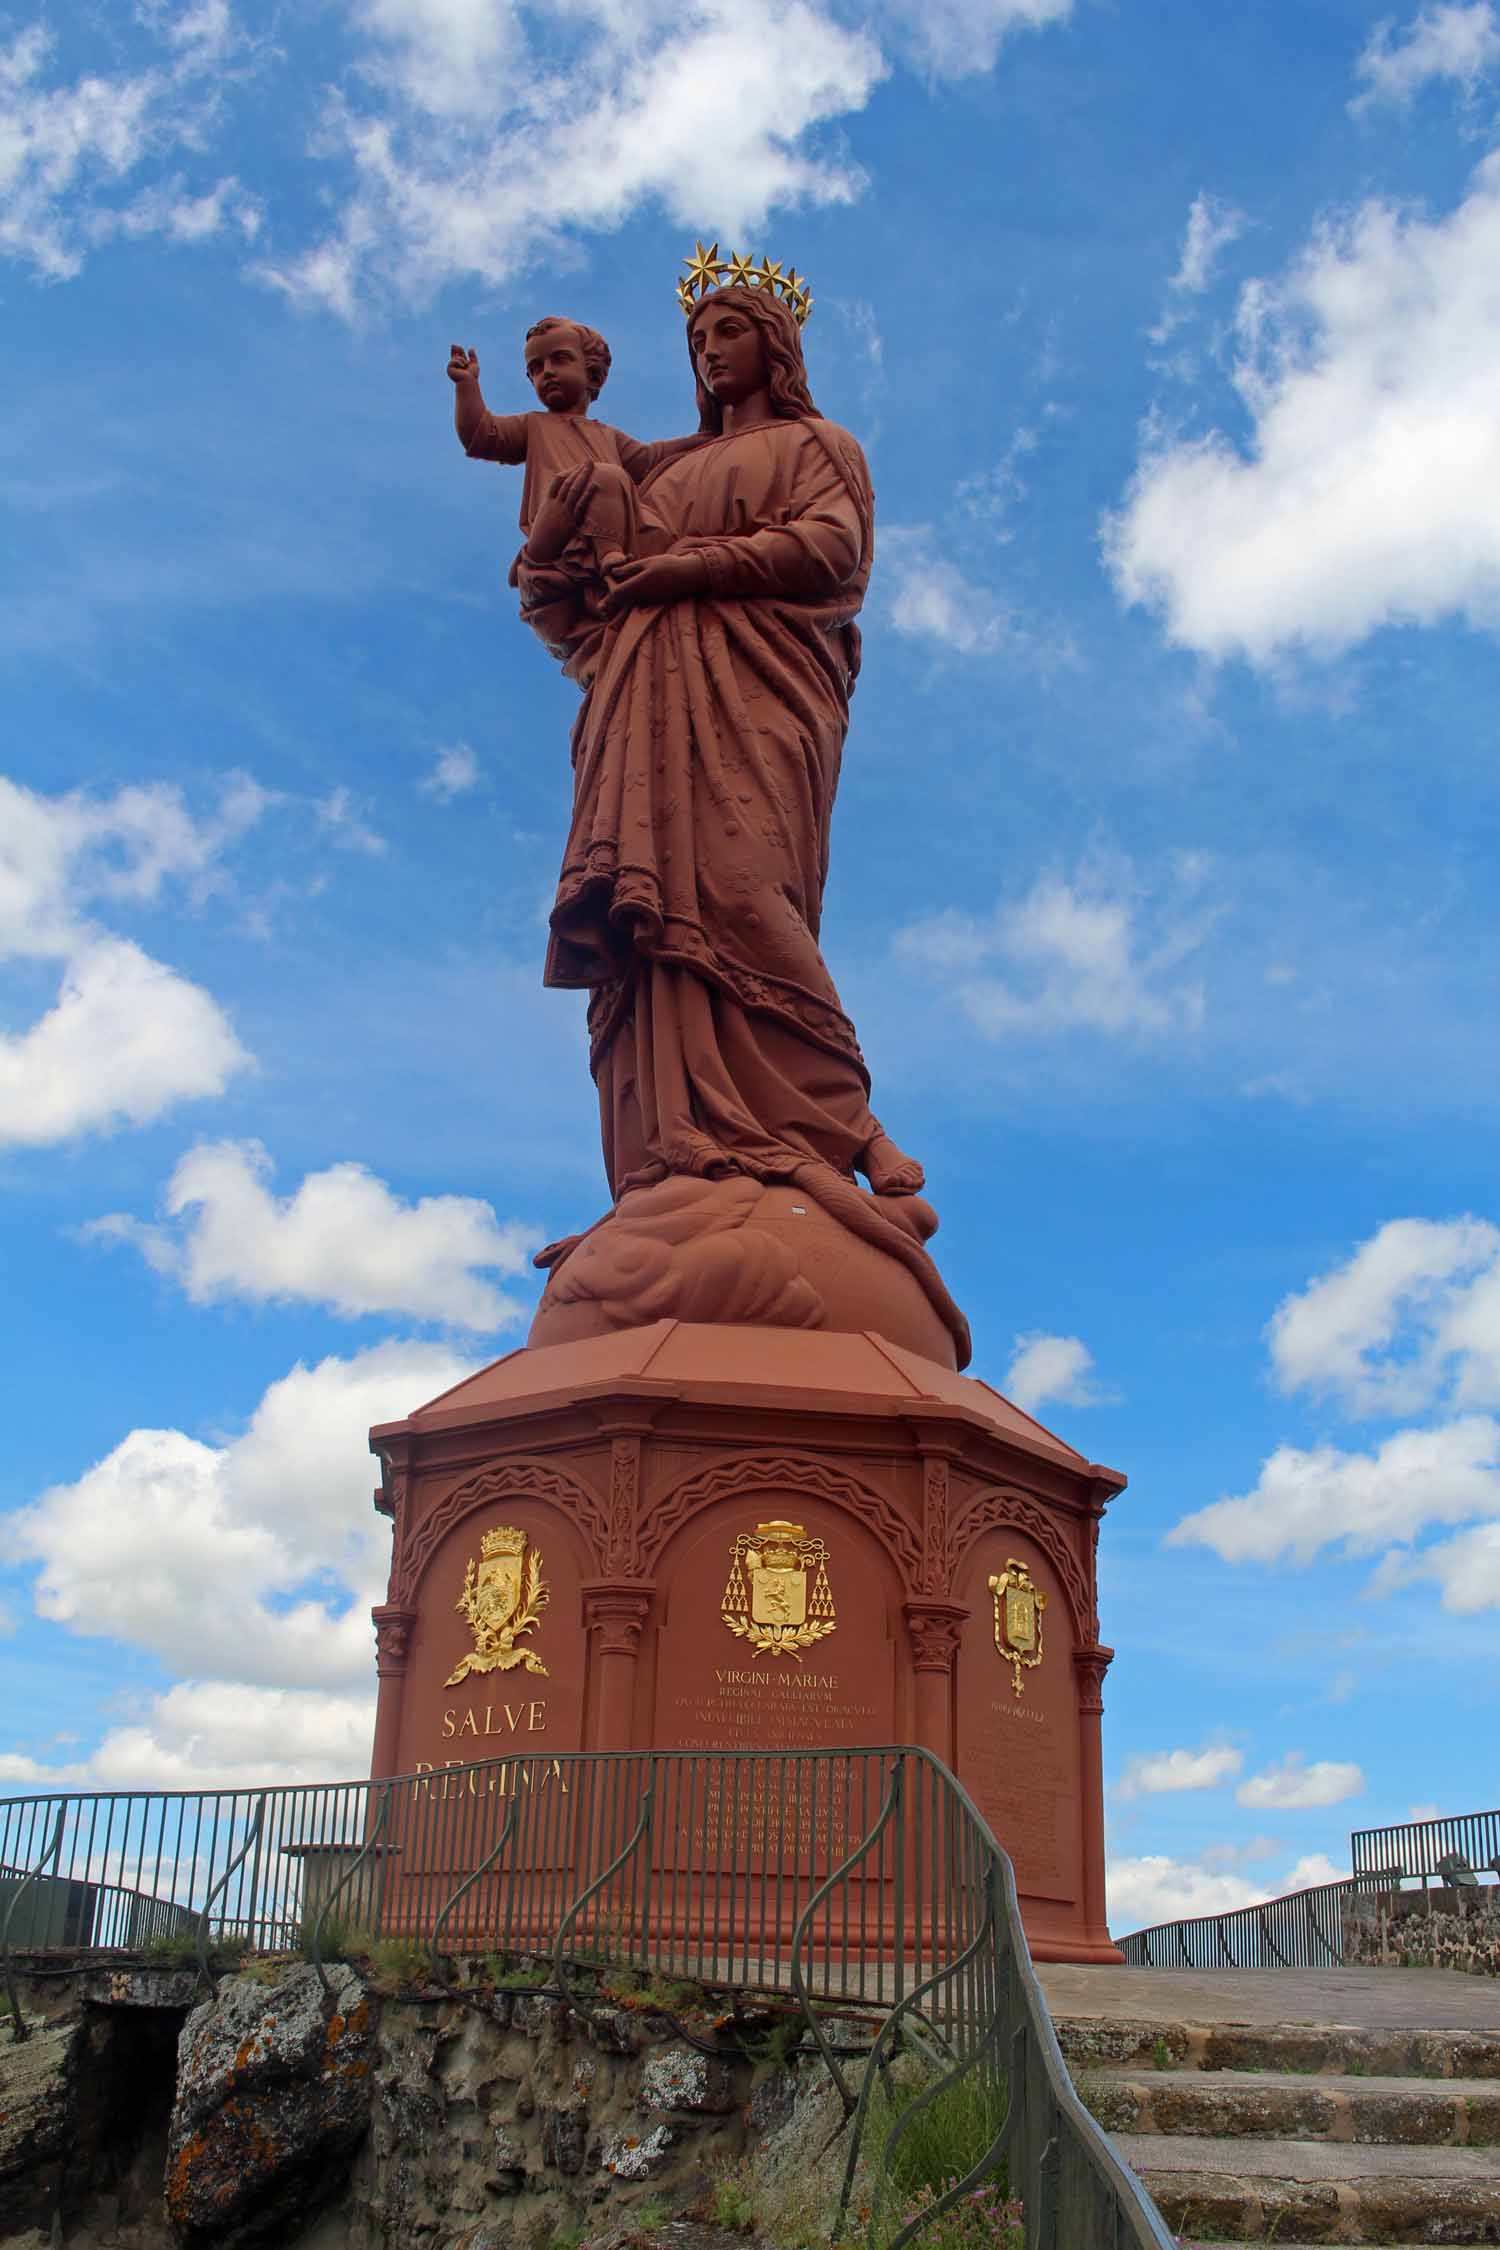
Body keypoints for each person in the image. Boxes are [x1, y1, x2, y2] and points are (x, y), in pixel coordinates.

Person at [532, 281, 933, 1236]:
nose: (710, 351)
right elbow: (570, 608)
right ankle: (676, 1155)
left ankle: (846, 1130)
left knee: (744, 887)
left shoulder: (818, 448)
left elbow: (831, 552)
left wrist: (687, 569)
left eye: (730, 332)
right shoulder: (658, 468)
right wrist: (570, 549)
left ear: (777, 345)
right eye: (697, 338)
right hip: (643, 702)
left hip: (757, 688)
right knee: (654, 914)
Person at [446, 317, 697, 617]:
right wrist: (466, 386)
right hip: (562, 529)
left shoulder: (607, 435)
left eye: (560, 359)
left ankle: (612, 556)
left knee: (613, 480)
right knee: (606, 475)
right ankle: (609, 557)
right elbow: (481, 434)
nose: (547, 372)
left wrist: (702, 439)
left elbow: (651, 458)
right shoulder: (534, 425)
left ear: (593, 374)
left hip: (610, 520)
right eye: (536, 369)